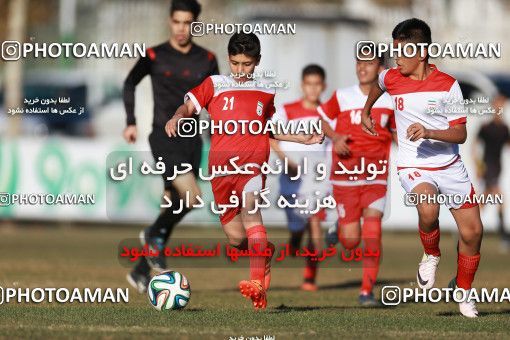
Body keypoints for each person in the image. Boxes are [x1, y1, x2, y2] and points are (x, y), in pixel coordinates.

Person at [165, 32, 324, 309]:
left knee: (252, 212)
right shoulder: (215, 84)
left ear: (258, 61)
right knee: (238, 239)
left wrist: (302, 137)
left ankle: (257, 285)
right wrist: (178, 116)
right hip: (220, 170)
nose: (240, 70)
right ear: (229, 59)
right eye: (236, 63)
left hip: (252, 164)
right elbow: (188, 106)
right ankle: (265, 253)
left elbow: (272, 128)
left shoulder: (266, 90)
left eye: (247, 64)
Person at [361, 18, 483, 317]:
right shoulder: (392, 77)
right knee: (427, 207)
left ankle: (463, 290)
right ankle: (431, 254)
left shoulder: (448, 86)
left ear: (422, 51)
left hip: (450, 166)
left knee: (473, 233)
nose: (396, 57)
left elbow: (460, 134)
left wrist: (429, 131)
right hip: (413, 165)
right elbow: (378, 84)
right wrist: (367, 111)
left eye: (401, 51)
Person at [123, 0, 219, 293]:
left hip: (192, 142)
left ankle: (140, 270)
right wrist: (131, 121)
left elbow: (215, 101)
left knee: (173, 203)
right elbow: (130, 83)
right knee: (191, 198)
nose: (181, 28)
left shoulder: (208, 59)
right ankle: (151, 235)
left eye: (187, 22)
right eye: (177, 21)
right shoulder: (154, 54)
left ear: (195, 24)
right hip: (163, 138)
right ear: (169, 21)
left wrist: (218, 139)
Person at [319, 44, 395, 306]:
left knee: (373, 230)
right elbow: (322, 120)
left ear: (381, 67)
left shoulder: (391, 100)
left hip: (376, 178)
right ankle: (340, 225)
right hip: (344, 178)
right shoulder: (341, 96)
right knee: (350, 242)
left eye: (369, 62)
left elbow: (397, 133)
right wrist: (335, 136)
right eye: (359, 62)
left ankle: (366, 291)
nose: (362, 67)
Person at [270, 64, 330, 292]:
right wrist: (286, 161)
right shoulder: (287, 110)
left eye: (317, 85)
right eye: (309, 84)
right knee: (297, 228)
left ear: (322, 86)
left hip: (317, 179)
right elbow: (271, 137)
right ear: (302, 85)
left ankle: (309, 278)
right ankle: (294, 241)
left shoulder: (328, 113)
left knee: (315, 224)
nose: (313, 89)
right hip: (292, 177)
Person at [474, 94, 510, 251]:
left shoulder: (504, 128)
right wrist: (478, 166)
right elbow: (474, 146)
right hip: (488, 168)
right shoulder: (486, 127)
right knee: (499, 198)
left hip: (497, 168)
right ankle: (504, 237)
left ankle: (470, 229)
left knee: (484, 200)